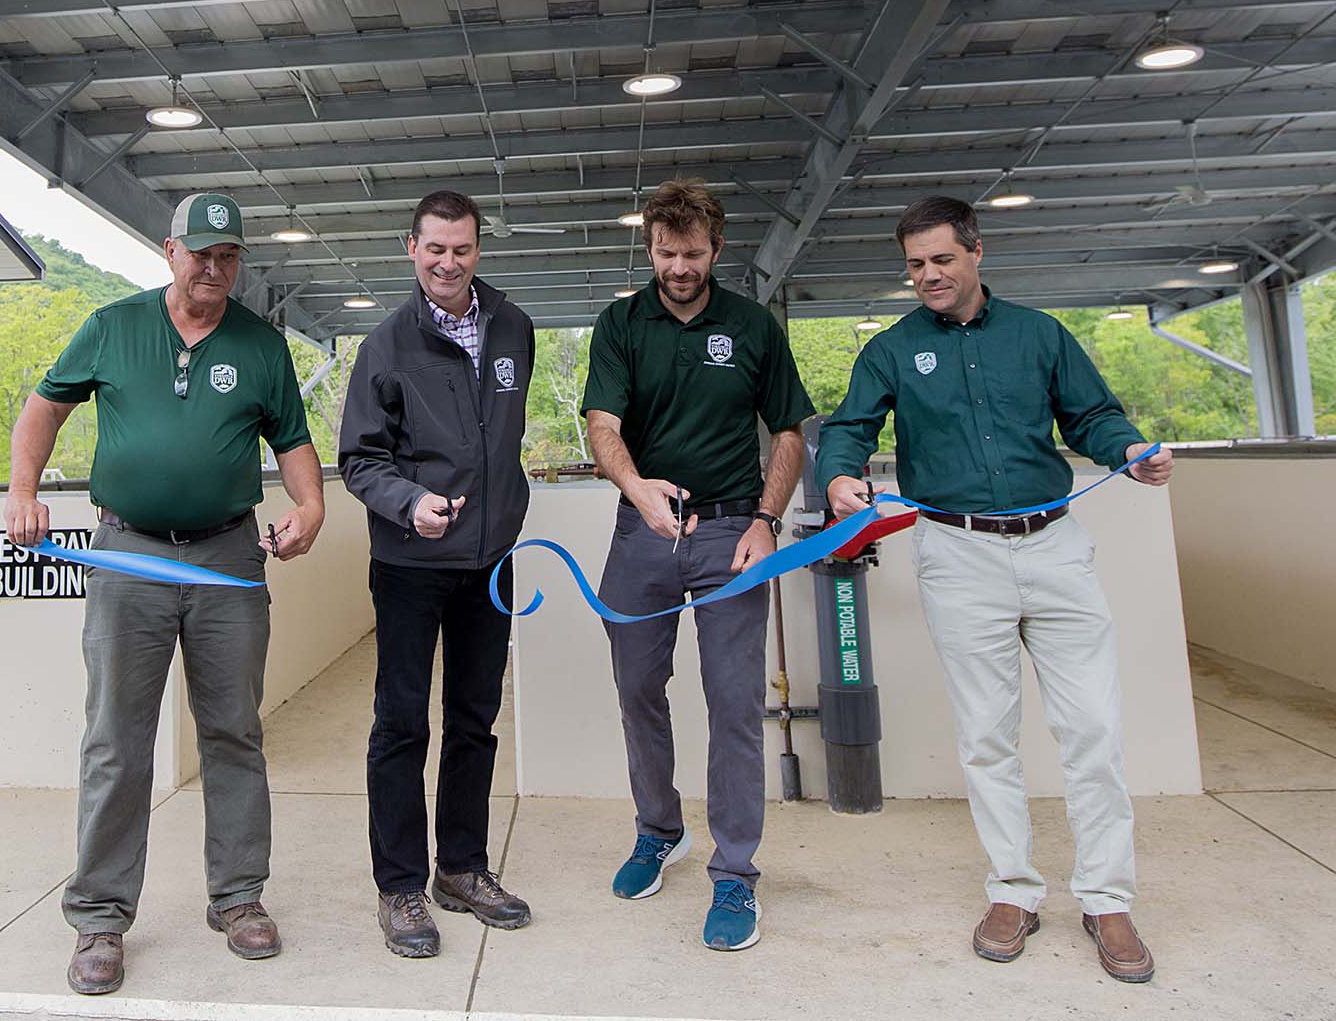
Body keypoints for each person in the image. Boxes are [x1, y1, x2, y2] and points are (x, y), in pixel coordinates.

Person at [816, 195, 1174, 983]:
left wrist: (1131, 452)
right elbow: (848, 426)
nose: (928, 276)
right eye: (915, 265)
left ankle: (1107, 899)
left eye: (942, 259)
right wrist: (840, 474)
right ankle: (1013, 889)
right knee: (986, 734)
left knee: (1094, 731)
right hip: (957, 551)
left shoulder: (1040, 334)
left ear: (978, 251)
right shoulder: (892, 349)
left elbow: (1094, 418)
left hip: (1055, 545)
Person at [4, 192, 325, 995]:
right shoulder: (113, 325)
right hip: (129, 554)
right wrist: (22, 490)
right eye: (201, 253)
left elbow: (292, 442)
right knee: (115, 738)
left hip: (226, 556)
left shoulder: (260, 345)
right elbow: (43, 406)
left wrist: (312, 506)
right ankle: (101, 917)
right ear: (169, 251)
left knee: (234, 733)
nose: (214, 268)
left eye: (229, 256)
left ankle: (239, 897)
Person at [581, 177, 814, 952]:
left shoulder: (750, 324)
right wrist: (636, 486)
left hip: (730, 537)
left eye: (692, 253)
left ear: (717, 248)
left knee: (735, 701)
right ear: (648, 245)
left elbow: (788, 430)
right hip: (645, 529)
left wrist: (766, 521)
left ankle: (737, 873)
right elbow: (602, 424)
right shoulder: (621, 323)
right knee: (638, 686)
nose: (678, 267)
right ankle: (658, 830)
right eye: (665, 251)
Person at [338, 191, 536, 959]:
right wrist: (408, 500)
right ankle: (399, 887)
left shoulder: (513, 326)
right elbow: (359, 457)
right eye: (435, 249)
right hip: (411, 563)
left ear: (477, 250)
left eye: (462, 249)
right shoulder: (385, 344)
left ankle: (462, 866)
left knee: (475, 719)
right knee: (400, 723)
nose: (448, 263)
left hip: (491, 561)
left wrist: (505, 518)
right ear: (410, 249)